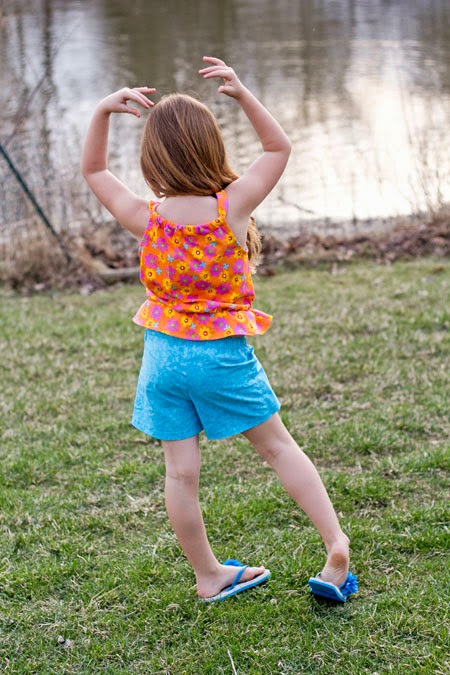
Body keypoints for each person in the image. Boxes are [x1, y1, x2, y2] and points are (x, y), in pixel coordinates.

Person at [81, 56, 357, 603]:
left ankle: (208, 575)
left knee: (181, 476)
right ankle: (335, 545)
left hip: (163, 361)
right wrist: (243, 94)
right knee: (278, 449)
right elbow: (278, 149)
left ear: (151, 157)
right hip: (219, 357)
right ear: (212, 147)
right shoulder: (231, 209)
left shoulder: (146, 218)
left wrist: (101, 112)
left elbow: (94, 170)